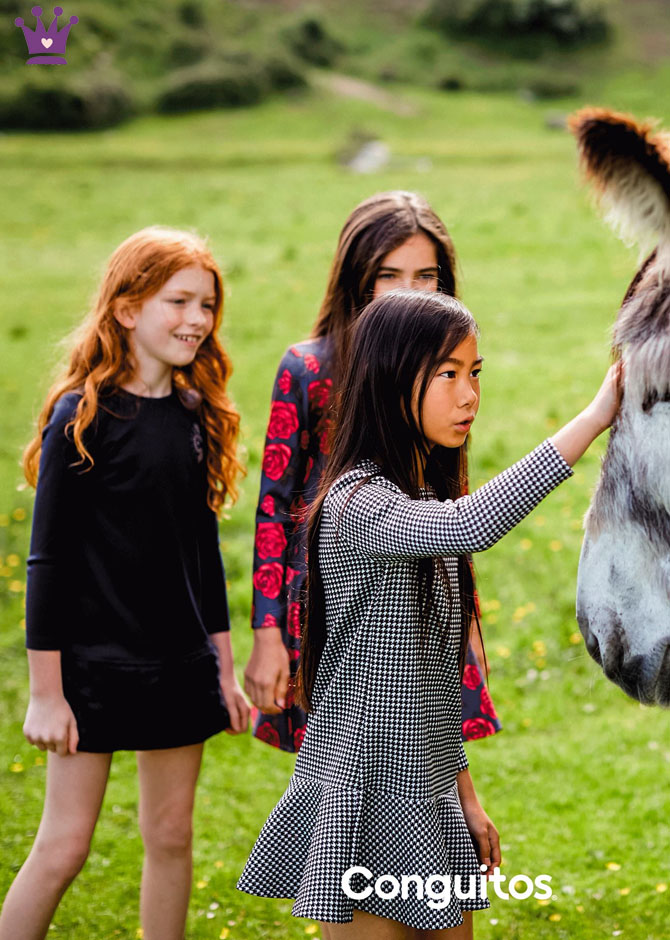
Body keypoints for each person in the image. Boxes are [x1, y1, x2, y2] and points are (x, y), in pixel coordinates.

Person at [238, 289, 622, 937]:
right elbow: (472, 523)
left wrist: (463, 796)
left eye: (475, 373)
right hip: (363, 798)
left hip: (428, 795)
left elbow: (435, 683)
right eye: (447, 374)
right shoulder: (357, 504)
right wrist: (597, 414)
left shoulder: (419, 502)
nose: (469, 394)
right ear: (390, 381)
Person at [0, 226, 249, 940]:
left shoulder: (197, 415)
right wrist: (46, 694)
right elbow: (46, 562)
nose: (197, 319)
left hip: (178, 666)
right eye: (179, 301)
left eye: (207, 305)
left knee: (171, 836)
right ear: (127, 309)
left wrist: (224, 671)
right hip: (92, 672)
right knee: (65, 846)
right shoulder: (79, 419)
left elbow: (203, 554)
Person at [245, 191, 499, 754]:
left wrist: (468, 618)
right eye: (390, 275)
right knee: (339, 764)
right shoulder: (309, 368)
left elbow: (451, 503)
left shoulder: (446, 373)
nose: (410, 290)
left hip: (424, 595)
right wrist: (266, 631)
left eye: (426, 275)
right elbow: (273, 506)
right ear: (358, 280)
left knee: (423, 756)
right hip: (331, 602)